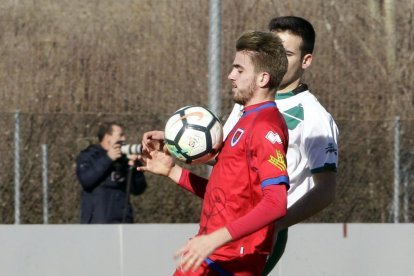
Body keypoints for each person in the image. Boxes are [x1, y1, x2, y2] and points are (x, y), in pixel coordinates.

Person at [139, 31, 289, 275]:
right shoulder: (245, 120)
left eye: (239, 70)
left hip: (232, 260)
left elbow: (276, 203)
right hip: (211, 256)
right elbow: (226, 196)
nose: (231, 76)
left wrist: (214, 239)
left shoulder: (265, 127)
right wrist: (172, 171)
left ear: (263, 78)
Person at [224, 16, 339, 275]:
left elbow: (326, 190)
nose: (276, 60)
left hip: (261, 230)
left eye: (286, 53)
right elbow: (226, 158)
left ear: (306, 61)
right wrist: (178, 145)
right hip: (225, 221)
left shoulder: (314, 117)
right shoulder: (248, 100)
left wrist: (275, 225)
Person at [76, 121, 147, 224]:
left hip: (123, 221)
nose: (123, 139)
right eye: (120, 135)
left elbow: (138, 189)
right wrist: (108, 158)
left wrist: (135, 167)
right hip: (97, 223)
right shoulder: (90, 156)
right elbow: (86, 179)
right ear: (108, 137)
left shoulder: (124, 159)